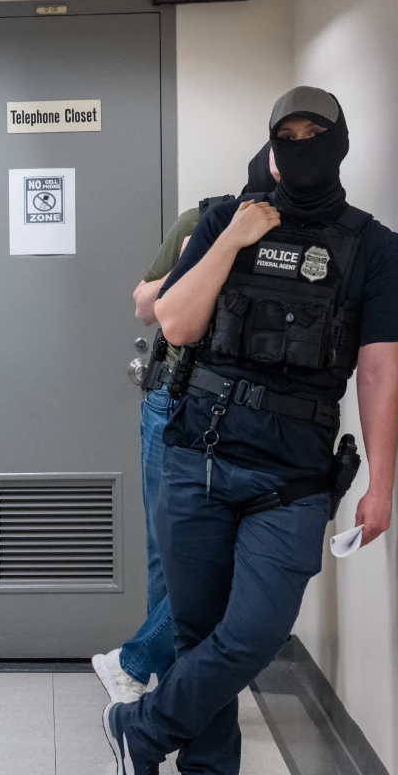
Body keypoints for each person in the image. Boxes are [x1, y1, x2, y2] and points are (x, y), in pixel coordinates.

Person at [104, 86, 398, 774]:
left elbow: (381, 372)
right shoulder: (217, 220)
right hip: (197, 459)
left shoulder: (375, 248)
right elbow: (175, 323)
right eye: (287, 136)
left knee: (255, 632)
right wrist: (235, 234)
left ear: (340, 144)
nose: (301, 147)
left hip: (292, 478)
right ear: (270, 150)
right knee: (196, 634)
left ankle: (141, 729)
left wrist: (381, 484)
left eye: (314, 134)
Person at [92, 145, 280, 703]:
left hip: (247, 412)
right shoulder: (204, 220)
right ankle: (167, 682)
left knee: (214, 549)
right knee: (166, 550)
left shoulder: (308, 238)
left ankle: (148, 666)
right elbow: (144, 306)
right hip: (171, 402)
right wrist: (208, 255)